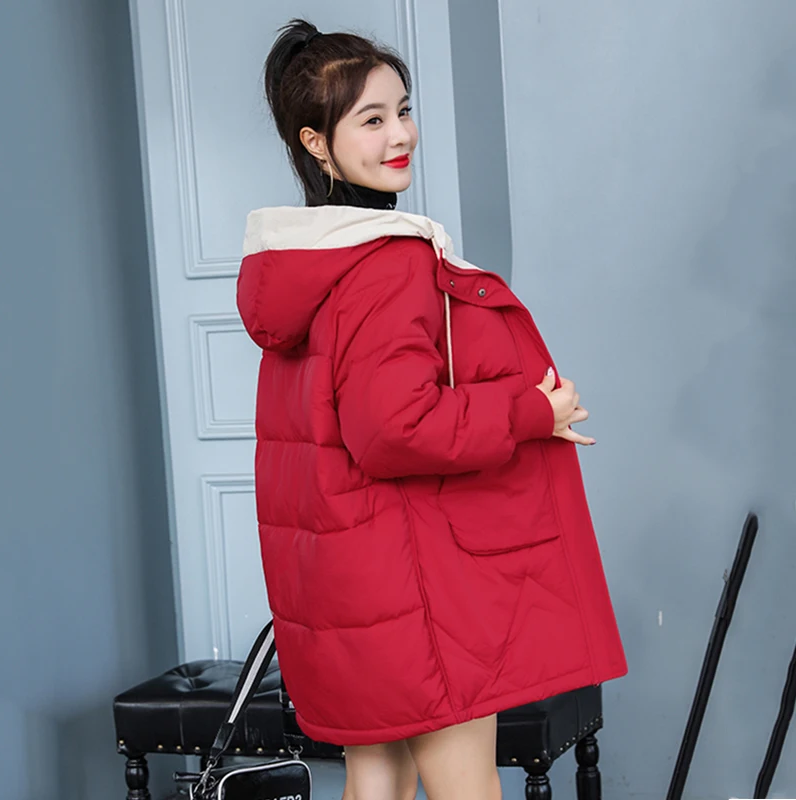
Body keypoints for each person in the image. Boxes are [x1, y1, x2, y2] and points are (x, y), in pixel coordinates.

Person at [237, 18, 627, 800]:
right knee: (464, 784)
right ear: (316, 144)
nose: (400, 135)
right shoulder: (389, 260)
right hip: (411, 585)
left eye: (404, 110)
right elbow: (392, 429)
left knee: (376, 777)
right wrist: (530, 413)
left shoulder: (307, 263)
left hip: (343, 579)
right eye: (371, 120)